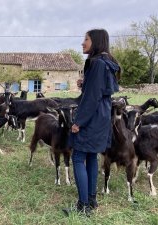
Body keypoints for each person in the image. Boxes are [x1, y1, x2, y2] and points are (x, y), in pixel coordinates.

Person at [63, 29, 120, 216]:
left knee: (78, 157)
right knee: (91, 157)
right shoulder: (107, 63)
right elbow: (101, 90)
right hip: (103, 115)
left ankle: (83, 206)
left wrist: (78, 121)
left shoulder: (95, 63)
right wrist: (85, 83)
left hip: (92, 116)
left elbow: (92, 97)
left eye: (85, 39)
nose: (82, 43)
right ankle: (92, 201)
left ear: (95, 41)